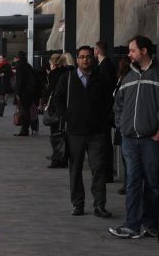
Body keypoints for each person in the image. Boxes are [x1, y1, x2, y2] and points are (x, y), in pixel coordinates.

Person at [109, 36, 159, 239]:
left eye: (132, 50)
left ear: (144, 51)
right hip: (130, 140)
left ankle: (150, 224)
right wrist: (122, 126)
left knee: (154, 184)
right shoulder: (127, 77)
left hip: (152, 140)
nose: (129, 54)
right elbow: (118, 105)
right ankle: (132, 225)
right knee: (132, 182)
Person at [54, 46, 113, 218]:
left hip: (96, 132)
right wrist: (66, 116)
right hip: (75, 132)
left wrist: (103, 120)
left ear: (93, 59)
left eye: (88, 57)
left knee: (98, 169)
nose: (85, 60)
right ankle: (77, 204)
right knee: (75, 169)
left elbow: (109, 101)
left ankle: (99, 205)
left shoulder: (101, 79)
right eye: (81, 57)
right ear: (77, 59)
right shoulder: (68, 78)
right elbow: (57, 99)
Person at [94, 40, 117, 183]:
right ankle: (107, 171)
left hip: (105, 111)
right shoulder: (107, 65)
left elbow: (106, 90)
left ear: (97, 50)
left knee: (105, 142)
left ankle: (107, 173)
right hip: (106, 109)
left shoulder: (105, 67)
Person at [43, 53, 67, 168]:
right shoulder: (67, 72)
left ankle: (57, 158)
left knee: (55, 134)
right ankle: (63, 156)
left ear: (53, 63)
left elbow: (49, 90)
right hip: (65, 107)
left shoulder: (54, 74)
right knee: (62, 133)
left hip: (55, 107)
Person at [113, 56, 132, 195]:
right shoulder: (123, 79)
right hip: (124, 123)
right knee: (126, 158)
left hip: (125, 124)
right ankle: (127, 183)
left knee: (127, 158)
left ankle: (128, 184)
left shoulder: (125, 80)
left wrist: (119, 123)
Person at [13, 51, 37, 136]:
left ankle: (24, 129)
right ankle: (26, 128)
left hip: (23, 93)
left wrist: (17, 93)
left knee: (24, 111)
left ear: (18, 57)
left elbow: (19, 81)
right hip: (29, 92)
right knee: (27, 110)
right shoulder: (28, 66)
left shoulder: (19, 67)